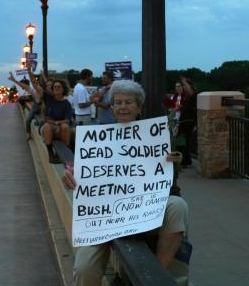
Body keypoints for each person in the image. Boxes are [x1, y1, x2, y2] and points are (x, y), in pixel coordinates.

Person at [62, 79, 189, 286]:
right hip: (103, 217)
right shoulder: (96, 139)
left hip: (141, 209)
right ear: (111, 108)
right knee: (85, 269)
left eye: (129, 102)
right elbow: (79, 172)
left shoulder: (157, 136)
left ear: (139, 107)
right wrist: (69, 176)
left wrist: (176, 162)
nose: (123, 107)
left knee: (178, 206)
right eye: (118, 102)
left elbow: (169, 183)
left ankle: (152, 277)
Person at [42, 79, 73, 163]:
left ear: (63, 89)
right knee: (47, 127)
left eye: (59, 87)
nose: (56, 88)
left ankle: (63, 151)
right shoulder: (49, 101)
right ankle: (50, 154)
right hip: (50, 126)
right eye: (55, 87)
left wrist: (57, 123)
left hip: (60, 127)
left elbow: (67, 120)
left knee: (65, 127)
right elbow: (47, 119)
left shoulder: (67, 103)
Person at [8, 72, 42, 140]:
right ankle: (28, 134)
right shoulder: (34, 91)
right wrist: (14, 80)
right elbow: (24, 86)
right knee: (28, 119)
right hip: (37, 108)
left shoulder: (44, 91)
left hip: (44, 109)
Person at [178, 77, 197, 167]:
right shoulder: (186, 96)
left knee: (183, 141)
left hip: (188, 121)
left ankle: (185, 161)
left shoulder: (192, 95)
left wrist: (184, 81)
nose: (184, 87)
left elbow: (190, 91)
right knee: (182, 141)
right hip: (184, 121)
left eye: (185, 85)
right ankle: (186, 160)